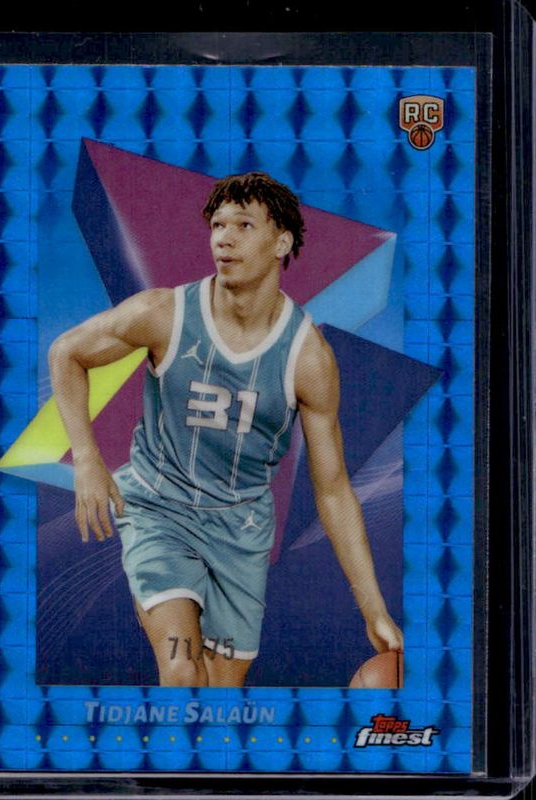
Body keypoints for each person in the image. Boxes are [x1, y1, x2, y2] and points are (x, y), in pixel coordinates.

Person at [49, 171, 403, 688]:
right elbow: (66, 352)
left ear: (281, 242)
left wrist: (373, 609)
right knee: (182, 670)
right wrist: (87, 459)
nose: (224, 238)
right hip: (159, 509)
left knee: (221, 692)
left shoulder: (308, 357)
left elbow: (332, 490)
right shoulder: (164, 313)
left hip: (241, 530)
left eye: (243, 225)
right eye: (217, 225)